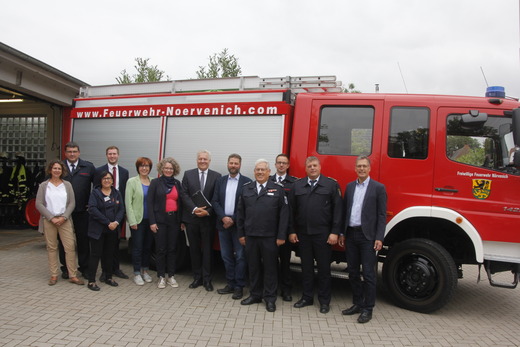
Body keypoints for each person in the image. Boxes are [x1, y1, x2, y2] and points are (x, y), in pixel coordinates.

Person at [289, 156, 342, 314]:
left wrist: (334, 232)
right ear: (305, 169)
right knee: (306, 268)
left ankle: (324, 301)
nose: (312, 168)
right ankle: (307, 297)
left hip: (323, 235)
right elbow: (290, 211)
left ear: (320, 167)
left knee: (324, 269)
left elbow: (338, 211)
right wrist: (291, 231)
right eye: (309, 166)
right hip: (303, 234)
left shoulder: (331, 185)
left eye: (314, 166)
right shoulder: (297, 186)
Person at [339, 155, 387, 323]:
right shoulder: (350, 187)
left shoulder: (378, 188)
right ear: (355, 168)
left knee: (368, 274)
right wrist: (342, 233)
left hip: (368, 237)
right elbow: (345, 211)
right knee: (352, 272)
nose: (361, 169)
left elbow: (382, 215)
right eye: (358, 166)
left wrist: (379, 237)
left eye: (364, 166)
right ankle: (357, 303)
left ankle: (368, 308)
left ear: (369, 169)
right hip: (351, 235)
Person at [237, 159, 289, 312]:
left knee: (270, 268)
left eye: (263, 170)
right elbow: (240, 214)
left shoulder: (278, 189)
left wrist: (281, 236)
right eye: (257, 170)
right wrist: (241, 234)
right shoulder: (246, 189)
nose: (260, 172)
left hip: (270, 237)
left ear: (269, 172)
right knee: (253, 267)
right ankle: (255, 295)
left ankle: (270, 298)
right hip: (251, 236)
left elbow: (284, 215)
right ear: (254, 172)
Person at [35, 160, 84, 286]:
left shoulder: (67, 185)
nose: (57, 171)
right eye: (54, 168)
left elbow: (72, 203)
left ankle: (72, 275)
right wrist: (51, 218)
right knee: (52, 248)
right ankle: (54, 275)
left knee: (70, 247)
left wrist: (64, 217)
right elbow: (39, 203)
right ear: (50, 170)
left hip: (64, 220)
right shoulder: (44, 186)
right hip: (49, 220)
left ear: (62, 171)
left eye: (59, 169)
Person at [212, 154, 252, 300]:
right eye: (231, 163)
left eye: (236, 163)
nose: (233, 165)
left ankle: (239, 287)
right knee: (226, 256)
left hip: (239, 226)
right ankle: (230, 283)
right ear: (227, 164)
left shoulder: (247, 182)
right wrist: (223, 217)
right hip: (223, 225)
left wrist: (233, 218)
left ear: (240, 165)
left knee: (241, 257)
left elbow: (248, 205)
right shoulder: (220, 181)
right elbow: (215, 201)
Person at [181, 150, 221, 291]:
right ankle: (197, 277)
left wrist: (207, 211)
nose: (202, 161)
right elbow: (184, 194)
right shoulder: (188, 174)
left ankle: (207, 279)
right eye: (200, 159)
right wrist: (194, 209)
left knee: (208, 251)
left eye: (205, 159)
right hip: (192, 219)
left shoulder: (216, 176)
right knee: (194, 250)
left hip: (208, 220)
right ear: (197, 160)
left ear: (209, 161)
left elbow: (216, 197)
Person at [94, 146, 130, 281]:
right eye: (110, 154)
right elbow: (96, 190)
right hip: (104, 214)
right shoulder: (99, 171)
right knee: (104, 244)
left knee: (115, 243)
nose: (112, 156)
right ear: (106, 155)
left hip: (118, 213)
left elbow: (125, 192)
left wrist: (124, 211)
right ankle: (105, 271)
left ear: (118, 155)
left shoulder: (124, 172)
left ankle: (116, 269)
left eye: (114, 154)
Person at [60, 141, 95, 279]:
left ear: (79, 152)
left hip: (82, 211)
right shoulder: (59, 167)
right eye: (69, 151)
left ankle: (85, 268)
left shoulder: (88, 167)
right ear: (65, 153)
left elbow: (98, 186)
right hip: (63, 212)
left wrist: (91, 204)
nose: (72, 154)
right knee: (64, 241)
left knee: (83, 240)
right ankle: (66, 268)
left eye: (74, 151)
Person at [86, 171, 125, 291]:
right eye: (104, 179)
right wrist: (107, 222)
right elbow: (92, 209)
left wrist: (116, 222)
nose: (107, 180)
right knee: (95, 255)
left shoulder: (116, 193)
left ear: (112, 181)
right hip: (98, 230)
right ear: (100, 181)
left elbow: (121, 209)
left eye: (109, 178)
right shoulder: (95, 193)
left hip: (112, 229)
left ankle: (108, 277)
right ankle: (91, 281)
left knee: (109, 254)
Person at [148, 157, 183, 289]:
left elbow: (180, 203)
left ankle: (171, 276)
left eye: (171, 168)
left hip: (174, 220)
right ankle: (161, 276)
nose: (168, 170)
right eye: (166, 168)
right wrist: (152, 222)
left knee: (172, 249)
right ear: (162, 169)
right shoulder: (156, 183)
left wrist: (181, 221)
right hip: (160, 221)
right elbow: (150, 203)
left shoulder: (177, 184)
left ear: (174, 170)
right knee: (161, 249)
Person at [270, 153, 298, 302]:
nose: (281, 165)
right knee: (271, 263)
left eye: (284, 163)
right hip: (270, 230)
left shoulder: (294, 183)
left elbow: (293, 209)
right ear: (275, 165)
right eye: (279, 162)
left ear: (287, 166)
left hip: (285, 230)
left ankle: (286, 290)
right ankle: (271, 290)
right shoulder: (268, 181)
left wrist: (291, 230)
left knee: (286, 262)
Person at [125, 157, 154, 286]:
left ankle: (145, 271)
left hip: (150, 220)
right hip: (137, 220)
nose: (144, 168)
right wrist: (132, 221)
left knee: (148, 247)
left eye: (147, 166)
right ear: (138, 168)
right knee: (137, 247)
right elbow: (128, 203)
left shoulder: (153, 181)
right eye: (142, 166)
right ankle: (137, 273)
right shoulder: (132, 182)